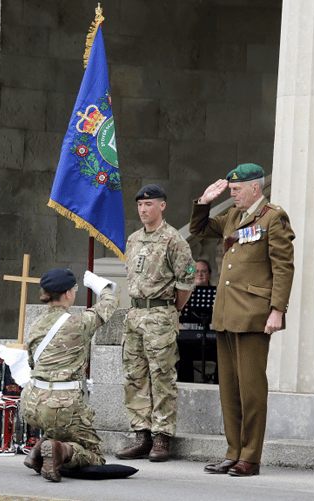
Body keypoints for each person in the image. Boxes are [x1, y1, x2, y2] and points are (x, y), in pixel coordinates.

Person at [190, 163, 295, 477]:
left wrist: (278, 310)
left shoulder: (274, 217)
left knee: (251, 389)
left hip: (253, 314)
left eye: (236, 190)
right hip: (225, 314)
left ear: (255, 188)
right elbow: (199, 230)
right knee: (230, 389)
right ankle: (233, 451)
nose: (232, 194)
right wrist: (204, 202)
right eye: (230, 189)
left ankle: (250, 455)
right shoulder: (233, 218)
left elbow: (283, 267)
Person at [115, 184, 195, 462]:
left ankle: (162, 439)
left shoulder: (174, 240)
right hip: (135, 315)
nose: (143, 210)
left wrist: (171, 310)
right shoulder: (133, 239)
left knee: (162, 377)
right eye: (139, 205)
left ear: (162, 206)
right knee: (134, 377)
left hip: (160, 315)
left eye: (149, 205)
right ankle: (141, 436)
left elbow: (185, 283)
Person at [20, 269, 118, 482]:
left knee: (59, 425)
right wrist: (101, 286)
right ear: (67, 294)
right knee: (95, 456)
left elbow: (32, 363)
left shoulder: (36, 324)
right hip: (62, 406)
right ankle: (60, 451)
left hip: (31, 404)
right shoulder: (79, 323)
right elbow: (110, 303)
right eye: (74, 289)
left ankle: (37, 451)